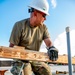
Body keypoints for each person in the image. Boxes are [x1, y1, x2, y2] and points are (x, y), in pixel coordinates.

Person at [9, 0, 58, 75]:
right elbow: (11, 48)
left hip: (34, 58)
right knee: (25, 71)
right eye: (44, 15)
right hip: (21, 59)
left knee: (47, 71)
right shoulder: (19, 25)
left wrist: (52, 48)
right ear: (35, 13)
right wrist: (21, 56)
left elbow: (48, 42)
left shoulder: (43, 28)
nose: (45, 19)